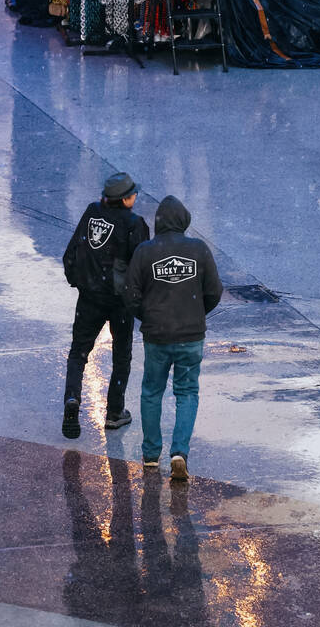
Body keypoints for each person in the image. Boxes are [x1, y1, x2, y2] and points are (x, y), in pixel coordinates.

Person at [124, 195, 222, 481]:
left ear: (159, 223)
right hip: (191, 336)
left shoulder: (145, 251)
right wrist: (195, 312)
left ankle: (151, 454)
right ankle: (179, 451)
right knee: (187, 392)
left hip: (157, 337)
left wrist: (150, 316)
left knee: (152, 392)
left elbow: (130, 294)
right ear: (184, 221)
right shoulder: (199, 250)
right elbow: (214, 291)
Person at [62, 172, 149, 439]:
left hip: (89, 297)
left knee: (79, 352)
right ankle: (114, 412)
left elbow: (71, 253)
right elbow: (142, 268)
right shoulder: (135, 224)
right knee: (121, 356)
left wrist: (79, 282)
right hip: (119, 301)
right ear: (125, 199)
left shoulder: (91, 212)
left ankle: (72, 399)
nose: (135, 197)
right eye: (133, 194)